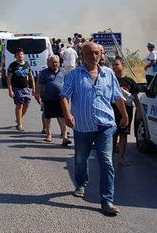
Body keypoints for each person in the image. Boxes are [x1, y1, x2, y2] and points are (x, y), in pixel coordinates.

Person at [61, 43, 129, 215]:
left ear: (101, 54)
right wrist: (68, 114)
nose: (93, 56)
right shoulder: (75, 75)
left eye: (96, 53)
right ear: (82, 55)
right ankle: (82, 183)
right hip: (82, 126)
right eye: (89, 53)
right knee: (80, 160)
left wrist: (124, 115)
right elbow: (64, 96)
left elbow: (117, 96)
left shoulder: (108, 73)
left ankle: (107, 201)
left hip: (105, 124)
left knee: (106, 161)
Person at [36, 55, 71, 145]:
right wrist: (37, 95)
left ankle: (65, 137)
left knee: (62, 117)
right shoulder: (44, 73)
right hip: (48, 98)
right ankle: (49, 134)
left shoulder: (63, 71)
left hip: (61, 99)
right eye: (53, 62)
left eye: (57, 62)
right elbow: (39, 85)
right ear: (48, 63)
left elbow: (67, 84)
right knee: (47, 117)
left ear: (59, 63)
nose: (55, 64)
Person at [111, 57, 139, 166]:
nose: (114, 66)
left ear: (123, 66)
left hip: (127, 112)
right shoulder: (112, 80)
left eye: (116, 64)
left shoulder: (130, 81)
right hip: (113, 111)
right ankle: (110, 155)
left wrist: (139, 111)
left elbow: (135, 97)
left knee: (124, 134)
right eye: (113, 65)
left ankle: (121, 157)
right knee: (113, 134)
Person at [7, 48, 35, 131]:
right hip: (17, 88)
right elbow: (9, 79)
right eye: (18, 54)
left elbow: (31, 77)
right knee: (19, 105)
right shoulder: (12, 65)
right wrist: (10, 90)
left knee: (26, 105)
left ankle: (18, 119)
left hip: (26, 88)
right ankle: (20, 124)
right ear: (15, 56)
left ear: (24, 55)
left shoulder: (27, 64)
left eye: (21, 54)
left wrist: (33, 87)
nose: (20, 56)